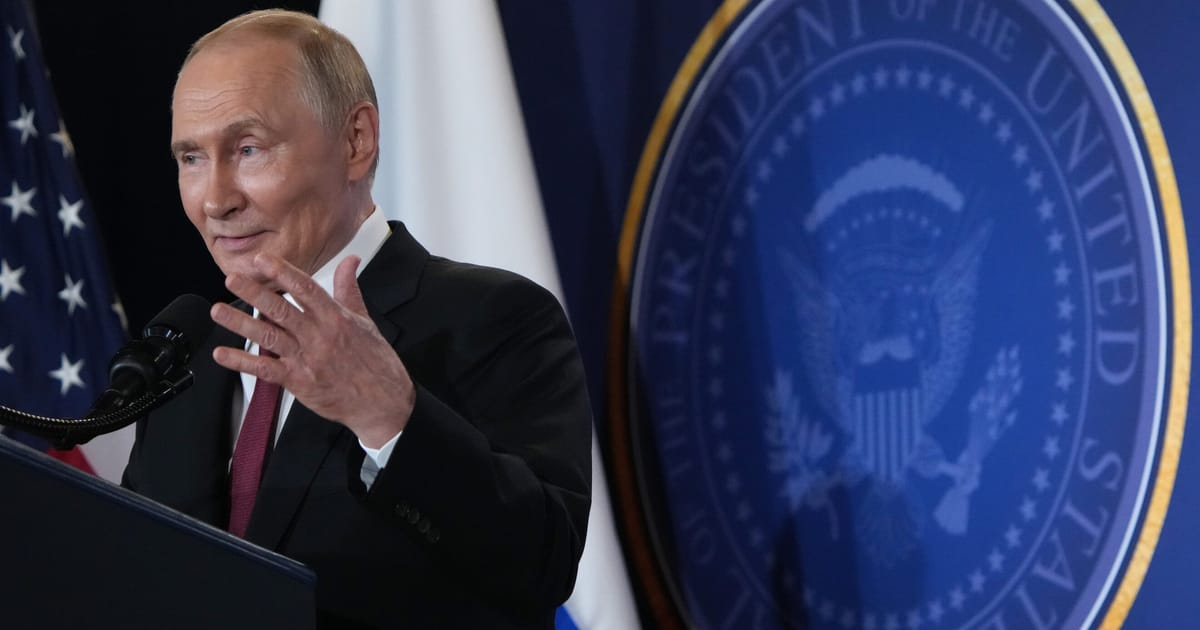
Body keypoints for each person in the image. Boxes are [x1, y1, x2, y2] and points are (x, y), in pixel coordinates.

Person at [121, 9, 592, 629]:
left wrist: (389, 417)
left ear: (355, 141)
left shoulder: (496, 318)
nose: (215, 199)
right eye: (191, 158)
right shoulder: (191, 358)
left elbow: (542, 564)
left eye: (248, 149)